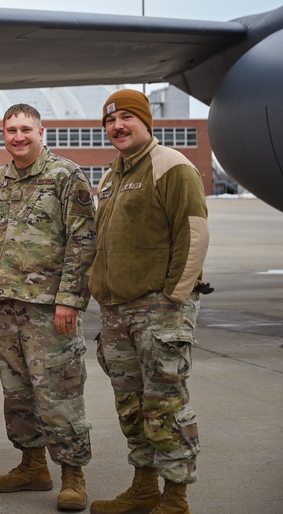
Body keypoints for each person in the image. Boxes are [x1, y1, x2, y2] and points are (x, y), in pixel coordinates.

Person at [0, 103, 96, 511]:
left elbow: (83, 240)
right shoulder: (1, 179)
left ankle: (73, 475)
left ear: (42, 132)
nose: (18, 136)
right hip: (9, 305)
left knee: (58, 392)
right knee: (17, 391)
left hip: (50, 309)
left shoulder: (65, 174)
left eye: (26, 128)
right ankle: (32, 465)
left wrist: (70, 299)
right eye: (11, 130)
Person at [88, 89, 209, 514]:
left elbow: (193, 233)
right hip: (117, 312)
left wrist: (174, 297)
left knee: (165, 406)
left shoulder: (172, 166)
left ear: (145, 122)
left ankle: (175, 497)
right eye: (109, 121)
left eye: (126, 117)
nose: (117, 126)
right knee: (131, 405)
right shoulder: (112, 175)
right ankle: (143, 487)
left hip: (159, 311)